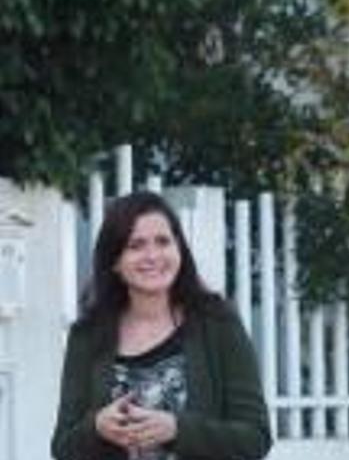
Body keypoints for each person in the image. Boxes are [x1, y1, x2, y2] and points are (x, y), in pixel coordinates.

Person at [51, 191, 272, 460]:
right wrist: (97, 427)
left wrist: (177, 430)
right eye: (136, 245)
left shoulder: (218, 323)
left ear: (179, 249)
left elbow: (256, 438)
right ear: (115, 262)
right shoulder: (86, 336)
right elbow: (63, 449)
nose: (152, 255)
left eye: (163, 241)